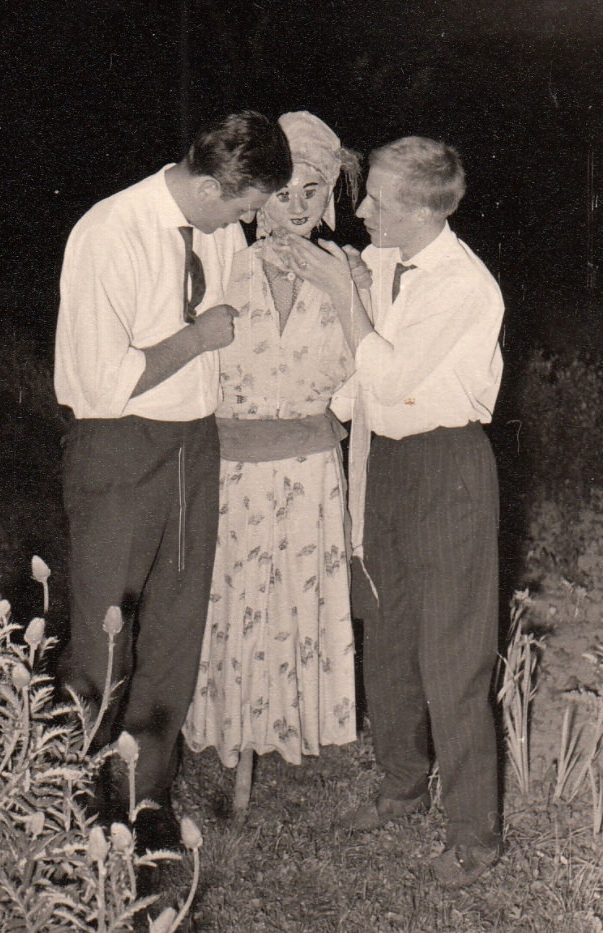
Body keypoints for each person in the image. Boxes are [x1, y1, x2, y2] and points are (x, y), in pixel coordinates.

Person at [54, 111, 292, 855]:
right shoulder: (111, 231)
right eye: (249, 203)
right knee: (106, 632)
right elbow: (103, 383)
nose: (254, 219)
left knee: (175, 630)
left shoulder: (220, 232)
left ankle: (145, 792)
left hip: (195, 442)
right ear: (215, 184)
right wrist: (196, 338)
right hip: (120, 444)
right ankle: (76, 797)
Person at [284, 136, 504, 888]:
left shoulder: (463, 284)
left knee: (452, 655)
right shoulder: (383, 261)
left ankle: (475, 834)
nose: (363, 208)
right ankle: (402, 786)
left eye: (376, 199)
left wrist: (348, 300)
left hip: (447, 467)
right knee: (388, 632)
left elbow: (397, 375)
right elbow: (360, 378)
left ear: (420, 210)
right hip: (386, 463)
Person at [182, 112, 361, 809]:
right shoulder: (223, 267)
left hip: (310, 473)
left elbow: (361, 381)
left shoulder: (350, 274)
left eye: (311, 194)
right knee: (235, 603)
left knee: (293, 604)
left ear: (329, 199)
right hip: (232, 472)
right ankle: (234, 739)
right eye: (283, 192)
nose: (294, 209)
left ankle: (286, 725)